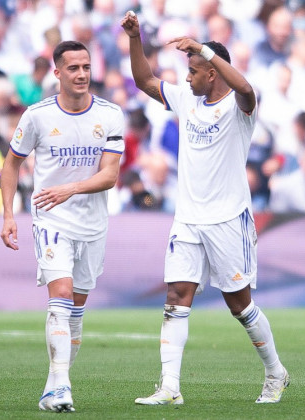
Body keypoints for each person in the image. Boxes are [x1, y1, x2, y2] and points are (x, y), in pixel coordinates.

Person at [121, 11, 290, 405]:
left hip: (229, 219)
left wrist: (204, 50)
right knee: (177, 296)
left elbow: (247, 88)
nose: (187, 77)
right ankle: (169, 387)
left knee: (240, 305)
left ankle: (275, 372)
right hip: (189, 220)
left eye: (193, 70)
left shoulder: (239, 109)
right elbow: (145, 80)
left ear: (212, 73)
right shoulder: (185, 99)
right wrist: (135, 38)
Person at [0, 40, 125, 413]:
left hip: (92, 223)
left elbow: (110, 175)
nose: (82, 74)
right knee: (62, 294)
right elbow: (10, 165)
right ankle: (63, 386)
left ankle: (53, 384)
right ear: (57, 73)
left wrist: (70, 188)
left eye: (86, 66)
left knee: (77, 308)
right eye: (73, 68)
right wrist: (8, 215)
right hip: (51, 219)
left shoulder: (110, 114)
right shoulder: (36, 116)